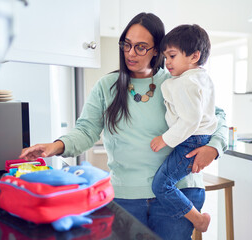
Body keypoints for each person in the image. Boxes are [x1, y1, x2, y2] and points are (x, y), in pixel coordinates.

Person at [19, 12, 228, 240]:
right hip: (126, 196)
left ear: (157, 50)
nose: (130, 53)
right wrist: (55, 146)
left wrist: (214, 147)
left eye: (140, 47)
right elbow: (86, 130)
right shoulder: (107, 86)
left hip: (180, 190)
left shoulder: (178, 80)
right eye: (126, 45)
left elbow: (215, 116)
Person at [150, 24, 217, 233]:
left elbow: (190, 120)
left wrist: (166, 139)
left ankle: (198, 220)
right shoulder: (200, 78)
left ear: (194, 56)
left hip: (191, 140)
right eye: (165, 57)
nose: (167, 62)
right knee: (164, 183)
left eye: (172, 56)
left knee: (162, 185)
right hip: (198, 137)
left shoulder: (186, 83)